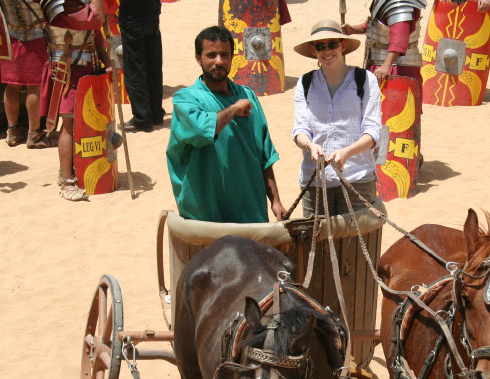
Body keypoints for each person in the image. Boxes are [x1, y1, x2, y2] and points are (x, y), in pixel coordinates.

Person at [166, 25, 285, 223]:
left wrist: (275, 201)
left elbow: (264, 155)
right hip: (206, 216)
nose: (219, 61)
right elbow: (201, 129)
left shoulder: (248, 96)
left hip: (250, 212)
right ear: (198, 58)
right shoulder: (185, 100)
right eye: (211, 55)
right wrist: (233, 110)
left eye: (225, 55)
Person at [292, 19, 381, 217]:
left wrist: (347, 153)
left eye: (332, 44)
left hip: (356, 179)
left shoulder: (366, 80)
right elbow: (300, 130)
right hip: (314, 181)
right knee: (315, 245)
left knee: (354, 247)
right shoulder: (305, 83)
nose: (327, 51)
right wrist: (310, 146)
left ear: (343, 46)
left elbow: (373, 132)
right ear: (313, 50)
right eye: (320, 46)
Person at [39, 0, 109, 201]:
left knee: (81, 124)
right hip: (67, 70)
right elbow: (95, 19)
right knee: (68, 124)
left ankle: (73, 169)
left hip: (87, 66)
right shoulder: (58, 4)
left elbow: (94, 34)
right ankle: (68, 180)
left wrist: (106, 59)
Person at [0, 0, 52, 148]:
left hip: (10, 36)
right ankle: (34, 134)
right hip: (35, 35)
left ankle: (12, 132)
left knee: (12, 85)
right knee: (34, 87)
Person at [341, 0, 430, 86]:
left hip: (396, 69)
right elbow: (377, 24)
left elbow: (399, 39)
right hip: (383, 66)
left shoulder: (399, 3)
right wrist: (353, 29)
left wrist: (386, 66)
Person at [119, 0, 165, 132]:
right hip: (151, 13)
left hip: (133, 17)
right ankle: (155, 114)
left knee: (135, 69)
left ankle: (142, 118)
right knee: (153, 67)